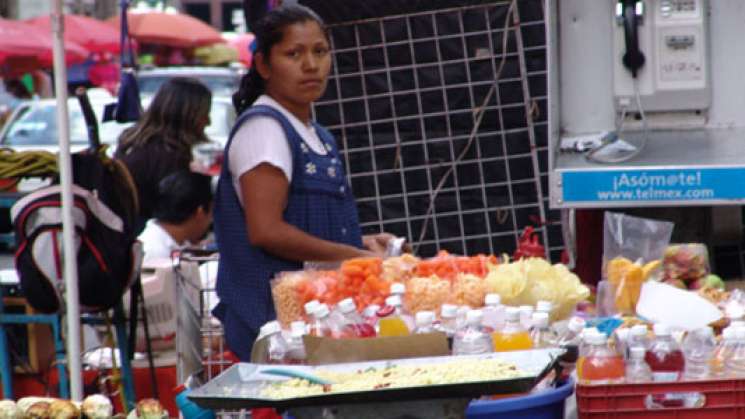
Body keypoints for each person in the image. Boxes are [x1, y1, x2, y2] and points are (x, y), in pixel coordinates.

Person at [213, 4, 395, 360]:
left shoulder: (318, 135)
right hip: (275, 329)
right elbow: (265, 231)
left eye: (320, 52)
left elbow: (306, 226)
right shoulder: (265, 129)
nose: (310, 65)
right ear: (264, 64)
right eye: (293, 54)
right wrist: (355, 257)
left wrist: (362, 243)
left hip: (317, 323)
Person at [115, 77, 212, 235]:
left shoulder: (134, 143)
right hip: (148, 242)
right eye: (204, 114)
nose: (208, 122)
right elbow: (181, 215)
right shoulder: (169, 156)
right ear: (186, 116)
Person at [138, 170, 214, 266]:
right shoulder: (156, 254)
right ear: (200, 212)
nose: (211, 219)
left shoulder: (174, 242)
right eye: (212, 212)